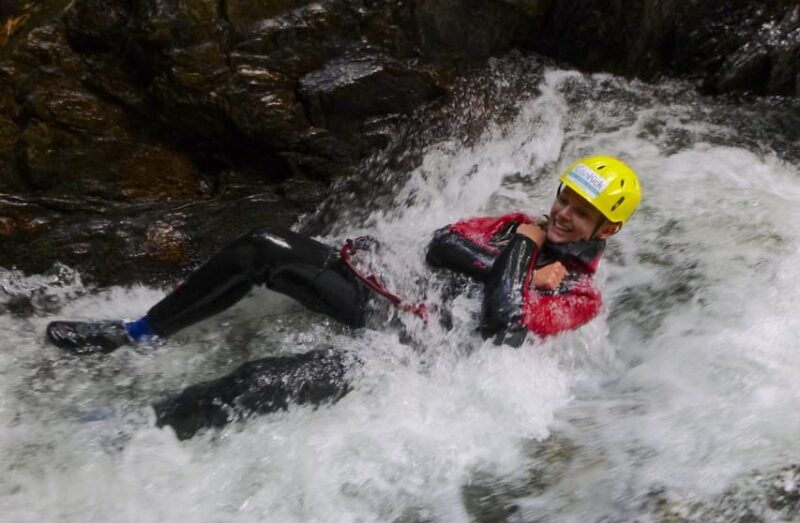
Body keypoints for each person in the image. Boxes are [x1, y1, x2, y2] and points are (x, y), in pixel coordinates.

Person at [46, 156, 641, 438]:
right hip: (386, 301)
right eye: (564, 199)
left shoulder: (580, 295)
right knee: (262, 247)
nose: (562, 214)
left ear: (606, 228)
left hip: (412, 361)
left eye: (581, 212)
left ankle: (134, 431)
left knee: (257, 380)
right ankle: (137, 334)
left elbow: (502, 322)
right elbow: (443, 246)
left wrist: (519, 252)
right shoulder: (515, 223)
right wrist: (518, 258)